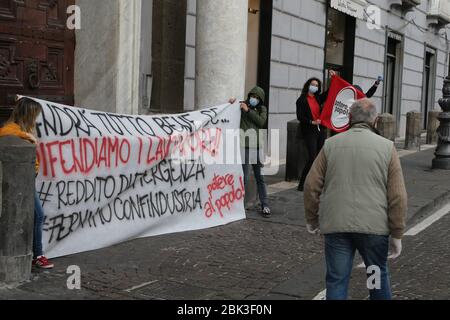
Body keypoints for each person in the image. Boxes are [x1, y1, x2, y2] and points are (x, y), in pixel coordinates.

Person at [303, 98, 407, 300]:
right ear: (375, 120)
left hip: (337, 225)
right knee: (376, 277)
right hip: (374, 228)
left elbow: (311, 185)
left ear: (349, 118)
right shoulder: (387, 147)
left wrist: (312, 218)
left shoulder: (331, 144)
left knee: (337, 279)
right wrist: (397, 232)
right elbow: (398, 195)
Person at [0, 97, 54, 269]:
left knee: (36, 216)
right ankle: (38, 255)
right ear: (27, 114)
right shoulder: (13, 129)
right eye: (34, 114)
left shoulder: (25, 129)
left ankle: (35, 253)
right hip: (19, 182)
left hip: (27, 179)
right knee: (38, 215)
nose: (36, 118)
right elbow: (5, 133)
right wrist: (27, 136)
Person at [229, 87, 271, 218]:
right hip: (244, 147)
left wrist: (248, 111)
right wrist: (231, 102)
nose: (254, 99)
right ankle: (239, 205)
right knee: (244, 178)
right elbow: (231, 109)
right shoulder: (242, 105)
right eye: (253, 96)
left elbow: (261, 121)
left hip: (257, 147)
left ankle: (265, 205)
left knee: (260, 177)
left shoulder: (262, 109)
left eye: (257, 98)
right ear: (249, 96)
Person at [296, 71, 336, 192]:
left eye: (317, 85)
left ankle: (318, 182)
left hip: (321, 130)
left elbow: (330, 92)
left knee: (321, 157)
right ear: (308, 85)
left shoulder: (318, 98)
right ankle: (302, 183)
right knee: (312, 157)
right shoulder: (301, 100)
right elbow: (300, 117)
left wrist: (333, 78)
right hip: (310, 131)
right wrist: (311, 122)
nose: (315, 87)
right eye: (313, 84)